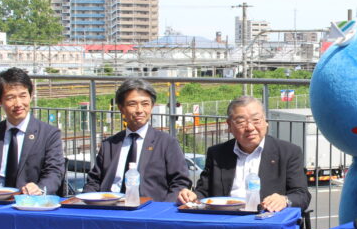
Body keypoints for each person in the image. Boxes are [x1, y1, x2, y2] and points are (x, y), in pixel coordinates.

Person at [178, 96, 310, 212]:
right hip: (225, 221)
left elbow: (301, 195)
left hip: (266, 221)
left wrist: (284, 200)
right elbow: (203, 192)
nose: (250, 128)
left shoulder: (288, 152)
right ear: (229, 125)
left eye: (256, 120)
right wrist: (191, 196)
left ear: (266, 121)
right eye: (241, 122)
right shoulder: (217, 154)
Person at [0, 68, 65, 196]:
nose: (18, 103)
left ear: (31, 96)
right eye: (10, 98)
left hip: (29, 201)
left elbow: (54, 172)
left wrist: (39, 188)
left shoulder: (49, 134)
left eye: (23, 96)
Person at [82, 77, 191, 201]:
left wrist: (163, 208)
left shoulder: (167, 143)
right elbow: (94, 182)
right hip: (109, 206)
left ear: (151, 107)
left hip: (149, 208)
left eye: (145, 104)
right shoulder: (109, 145)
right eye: (132, 104)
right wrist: (86, 201)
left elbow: (180, 183)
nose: (139, 110)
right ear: (121, 108)